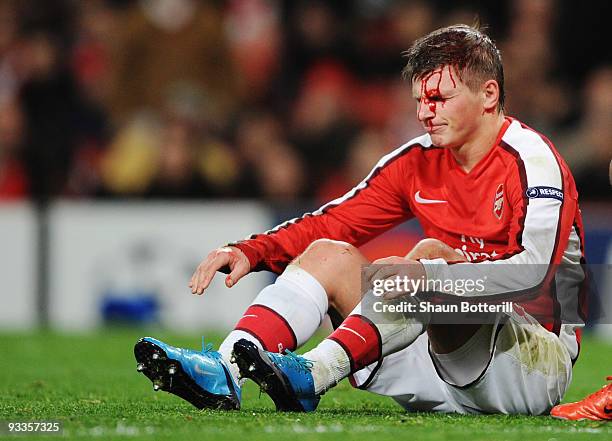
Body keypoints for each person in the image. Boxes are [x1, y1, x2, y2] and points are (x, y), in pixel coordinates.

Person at [134, 24, 589, 415]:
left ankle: (314, 373)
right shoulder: (416, 161)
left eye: (440, 98)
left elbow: (532, 279)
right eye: (419, 99)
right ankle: (227, 371)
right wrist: (250, 250)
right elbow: (332, 221)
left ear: (489, 95)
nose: (425, 112)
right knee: (328, 254)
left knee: (423, 268)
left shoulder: (533, 161)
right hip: (435, 357)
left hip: (528, 363)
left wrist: (441, 270)